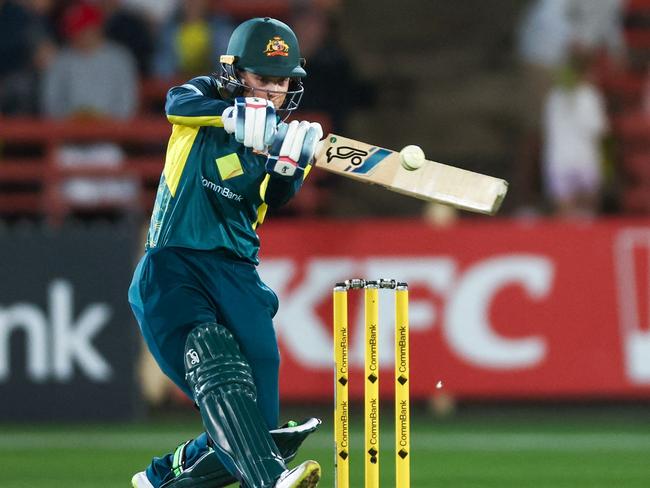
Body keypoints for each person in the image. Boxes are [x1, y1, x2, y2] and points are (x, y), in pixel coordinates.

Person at [128, 17, 323, 488]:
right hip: (174, 264)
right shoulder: (204, 101)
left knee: (259, 431)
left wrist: (287, 163)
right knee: (215, 360)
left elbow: (275, 197)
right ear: (235, 74)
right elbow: (178, 102)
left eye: (282, 81)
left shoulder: (284, 141)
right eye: (262, 78)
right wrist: (231, 116)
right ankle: (270, 481)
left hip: (237, 277)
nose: (273, 92)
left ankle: (159, 480)